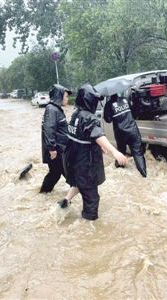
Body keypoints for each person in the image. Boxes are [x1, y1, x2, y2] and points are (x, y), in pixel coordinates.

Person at [59, 84, 127, 220]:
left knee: (80, 184)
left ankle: (65, 201)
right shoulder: (89, 118)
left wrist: (99, 146)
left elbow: (83, 136)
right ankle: (88, 226)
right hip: (86, 166)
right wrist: (115, 152)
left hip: (73, 163)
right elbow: (98, 135)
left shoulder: (75, 115)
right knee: (92, 199)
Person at [103, 94, 147, 177]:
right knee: (138, 153)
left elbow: (108, 120)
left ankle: (120, 172)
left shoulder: (108, 104)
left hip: (120, 133)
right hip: (133, 131)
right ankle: (144, 175)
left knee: (121, 153)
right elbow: (134, 112)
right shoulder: (125, 99)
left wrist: (109, 113)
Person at [40, 84, 72, 193]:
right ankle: (81, 194)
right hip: (56, 150)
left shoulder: (56, 109)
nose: (67, 99)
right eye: (66, 96)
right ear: (59, 96)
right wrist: (52, 149)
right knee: (68, 174)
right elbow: (49, 129)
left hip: (59, 148)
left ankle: (43, 194)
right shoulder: (52, 109)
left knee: (55, 173)